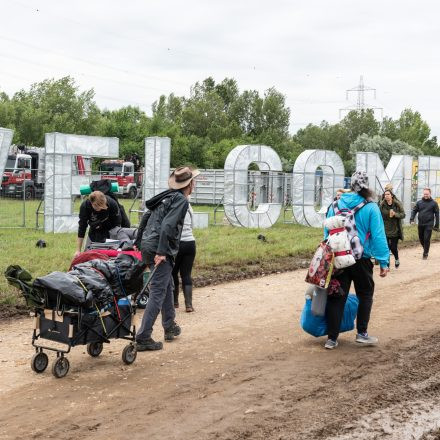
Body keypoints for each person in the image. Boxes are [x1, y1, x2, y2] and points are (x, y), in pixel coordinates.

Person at [135, 166, 199, 352]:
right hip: (159, 248)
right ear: (190, 184)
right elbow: (168, 225)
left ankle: (169, 325)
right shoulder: (180, 200)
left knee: (168, 284)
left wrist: (139, 241)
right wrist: (162, 252)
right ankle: (143, 336)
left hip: (148, 244)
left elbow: (147, 216)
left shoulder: (165, 197)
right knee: (158, 291)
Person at [324, 171, 389, 350]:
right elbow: (378, 236)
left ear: (350, 185)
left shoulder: (335, 205)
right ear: (366, 186)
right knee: (365, 294)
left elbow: (327, 232)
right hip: (361, 259)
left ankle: (332, 339)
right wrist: (384, 262)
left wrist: (328, 256)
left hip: (339, 258)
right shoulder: (371, 206)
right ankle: (362, 333)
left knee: (337, 297)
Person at [75, 190, 121, 258]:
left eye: (103, 207)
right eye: (98, 207)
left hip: (110, 229)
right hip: (94, 229)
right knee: (89, 255)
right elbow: (82, 228)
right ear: (92, 204)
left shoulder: (112, 203)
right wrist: (78, 250)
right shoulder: (85, 207)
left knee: (109, 255)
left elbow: (117, 226)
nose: (101, 209)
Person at [172, 202, 196, 312]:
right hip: (190, 242)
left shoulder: (173, 205)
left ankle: (175, 302)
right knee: (186, 274)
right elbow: (193, 225)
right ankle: (188, 305)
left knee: (173, 273)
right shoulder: (189, 206)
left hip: (177, 244)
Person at [410, 187, 439, 259]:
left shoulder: (434, 203)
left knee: (426, 239)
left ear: (430, 194)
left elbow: (437, 214)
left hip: (429, 224)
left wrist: (437, 225)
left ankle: (425, 253)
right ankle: (426, 248)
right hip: (421, 223)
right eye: (424, 194)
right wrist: (412, 219)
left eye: (427, 194)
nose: (425, 195)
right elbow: (414, 211)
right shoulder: (419, 202)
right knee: (421, 238)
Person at [379, 190, 405, 268]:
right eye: (385, 194)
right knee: (386, 247)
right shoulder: (382, 205)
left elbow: (403, 215)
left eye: (388, 194)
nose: (386, 196)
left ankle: (397, 259)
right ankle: (387, 264)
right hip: (385, 229)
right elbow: (378, 215)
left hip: (395, 229)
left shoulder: (397, 204)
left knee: (393, 247)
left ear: (392, 195)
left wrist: (395, 214)